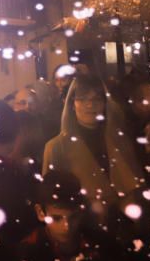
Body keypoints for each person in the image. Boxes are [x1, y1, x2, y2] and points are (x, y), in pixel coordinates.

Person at [41, 74, 144, 206]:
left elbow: (138, 187)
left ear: (105, 103)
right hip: (84, 221)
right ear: (72, 104)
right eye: (82, 99)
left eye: (97, 99)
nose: (90, 105)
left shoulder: (120, 141)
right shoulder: (56, 147)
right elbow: (52, 199)